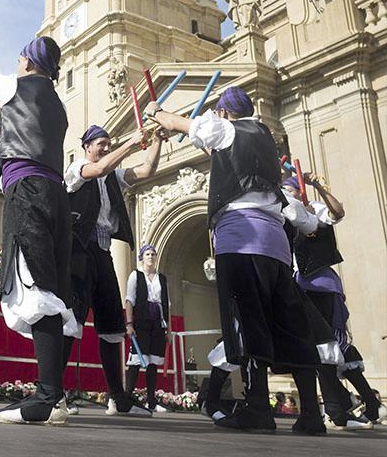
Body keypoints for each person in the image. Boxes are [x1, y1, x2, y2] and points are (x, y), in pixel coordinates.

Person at [146, 86, 326, 435]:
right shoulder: (265, 142)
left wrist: (157, 113)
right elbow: (308, 222)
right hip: (275, 245)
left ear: (225, 113)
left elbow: (190, 127)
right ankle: (312, 415)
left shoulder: (227, 129)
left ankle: (258, 408)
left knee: (246, 321)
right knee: (291, 325)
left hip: (239, 239)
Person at [0, 36, 73, 426]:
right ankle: (53, 396)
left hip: (29, 193)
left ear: (27, 62)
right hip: (56, 194)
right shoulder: (57, 104)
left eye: (20, 57)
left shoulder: (14, 85)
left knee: (35, 286)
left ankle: (46, 398)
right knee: (49, 287)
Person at [63, 124, 167, 416]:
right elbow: (98, 169)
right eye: (101, 144)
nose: (106, 148)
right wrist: (131, 143)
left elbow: (146, 171)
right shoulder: (77, 168)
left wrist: (157, 141)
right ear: (87, 147)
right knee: (71, 319)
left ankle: (116, 396)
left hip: (102, 252)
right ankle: (53, 392)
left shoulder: (113, 177)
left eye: (109, 144)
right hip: (78, 251)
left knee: (111, 324)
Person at [281, 175, 376, 429]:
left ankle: (356, 405)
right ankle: (350, 405)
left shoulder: (315, 209)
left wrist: (318, 188)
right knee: (319, 348)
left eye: (288, 189)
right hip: (300, 287)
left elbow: (337, 212)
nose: (285, 193)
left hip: (322, 285)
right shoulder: (286, 215)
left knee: (332, 344)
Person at [123, 244, 170, 413]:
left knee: (153, 362)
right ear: (142, 257)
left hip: (158, 323)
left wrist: (168, 330)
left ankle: (151, 401)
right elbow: (129, 300)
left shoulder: (162, 279)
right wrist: (129, 324)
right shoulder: (135, 275)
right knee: (136, 360)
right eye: (147, 254)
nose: (151, 257)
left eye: (153, 254)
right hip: (141, 321)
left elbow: (166, 304)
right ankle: (127, 397)